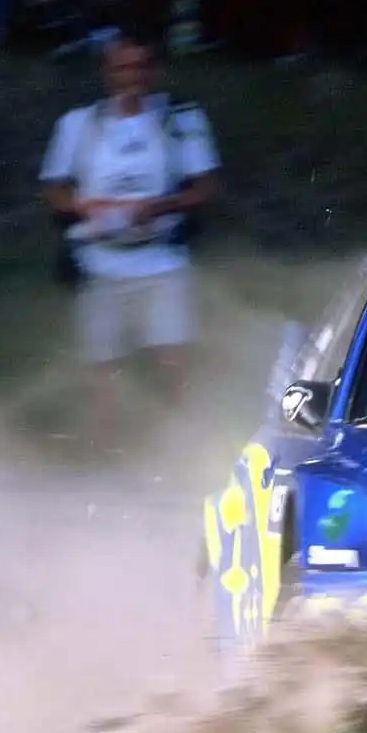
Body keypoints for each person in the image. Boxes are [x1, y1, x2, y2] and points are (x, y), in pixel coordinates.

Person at [38, 25, 220, 449]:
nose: (132, 76)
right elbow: (53, 188)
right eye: (123, 67)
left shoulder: (181, 119)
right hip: (99, 259)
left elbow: (207, 186)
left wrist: (162, 205)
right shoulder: (78, 123)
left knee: (173, 360)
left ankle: (180, 445)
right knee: (103, 368)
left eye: (141, 66)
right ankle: (107, 449)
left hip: (162, 258)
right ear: (107, 72)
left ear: (155, 70)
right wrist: (84, 206)